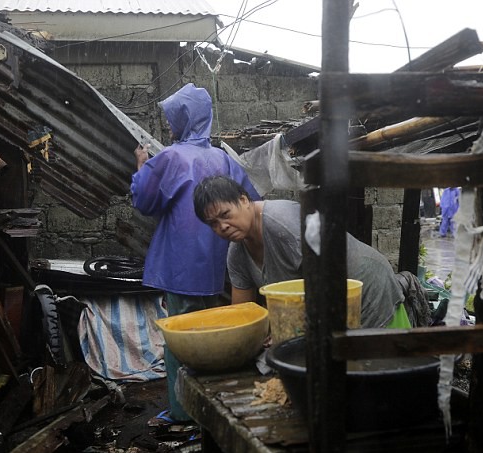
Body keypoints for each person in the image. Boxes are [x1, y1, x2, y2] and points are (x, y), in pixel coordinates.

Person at [130, 83, 259, 426]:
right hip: (220, 265)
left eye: (173, 119)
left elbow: (144, 201)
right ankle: (215, 407)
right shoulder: (222, 158)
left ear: (183, 119)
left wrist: (142, 165)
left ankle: (183, 411)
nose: (170, 126)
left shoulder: (170, 158)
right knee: (214, 339)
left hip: (181, 266)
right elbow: (252, 200)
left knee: (180, 342)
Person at [193, 175, 410, 329]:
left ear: (243, 200)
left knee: (382, 373)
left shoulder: (283, 226)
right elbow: (241, 314)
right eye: (213, 223)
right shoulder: (237, 254)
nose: (222, 226)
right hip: (327, 304)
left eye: (226, 214)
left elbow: (324, 286)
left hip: (366, 287)